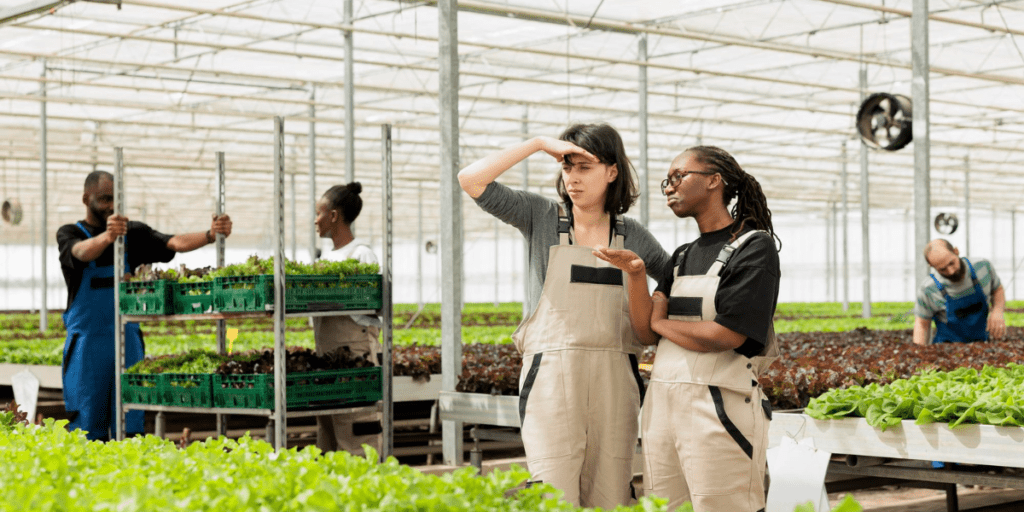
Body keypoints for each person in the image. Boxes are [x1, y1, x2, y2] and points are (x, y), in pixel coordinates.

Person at [458, 123, 671, 508]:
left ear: (612, 172)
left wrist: (652, 312)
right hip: (551, 378)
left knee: (611, 492)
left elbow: (674, 280)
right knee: (552, 490)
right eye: (567, 167)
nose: (572, 178)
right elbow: (471, 180)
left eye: (584, 167)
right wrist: (538, 144)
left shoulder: (632, 234)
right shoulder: (541, 217)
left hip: (616, 378)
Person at [595, 146, 781, 512]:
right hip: (663, 403)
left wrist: (663, 322)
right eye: (668, 180)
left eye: (679, 176)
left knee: (724, 505)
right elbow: (646, 333)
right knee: (666, 505)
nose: (669, 186)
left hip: (718, 405)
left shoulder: (753, 247)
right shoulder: (681, 256)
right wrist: (635, 274)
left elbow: (725, 335)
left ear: (714, 181)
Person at [56, 170, 232, 441]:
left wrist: (210, 234)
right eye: (104, 199)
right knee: (87, 421)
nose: (112, 206)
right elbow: (80, 253)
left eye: (117, 199)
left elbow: (174, 242)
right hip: (88, 347)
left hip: (128, 341)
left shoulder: (133, 233)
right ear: (85, 199)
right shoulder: (71, 233)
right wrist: (108, 237)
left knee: (132, 415)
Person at [313, 182, 382, 455]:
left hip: (355, 358)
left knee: (357, 433)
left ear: (333, 216)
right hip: (326, 359)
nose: (315, 220)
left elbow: (374, 312)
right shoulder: (324, 260)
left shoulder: (361, 254)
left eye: (318, 213)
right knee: (329, 434)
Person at [913, 239, 1005, 345]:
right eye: (943, 269)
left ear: (956, 251)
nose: (951, 271)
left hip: (982, 344)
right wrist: (920, 352)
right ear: (932, 266)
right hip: (947, 349)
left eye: (952, 263)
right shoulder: (928, 289)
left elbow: (997, 289)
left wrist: (997, 311)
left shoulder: (982, 267)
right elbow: (922, 323)